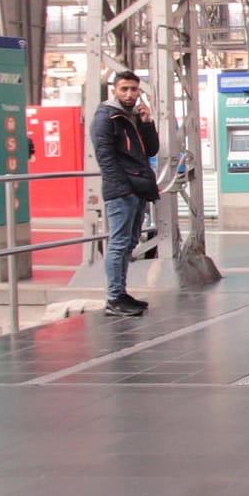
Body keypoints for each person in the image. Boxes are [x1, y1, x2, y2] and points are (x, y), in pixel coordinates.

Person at [92, 70, 159, 317]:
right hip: (123, 191)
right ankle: (114, 296)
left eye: (134, 89)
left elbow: (151, 149)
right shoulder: (106, 117)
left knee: (129, 242)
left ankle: (121, 292)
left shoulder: (131, 117)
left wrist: (146, 122)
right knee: (119, 243)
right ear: (115, 90)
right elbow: (105, 157)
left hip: (138, 188)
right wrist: (124, 188)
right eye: (125, 89)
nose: (130, 94)